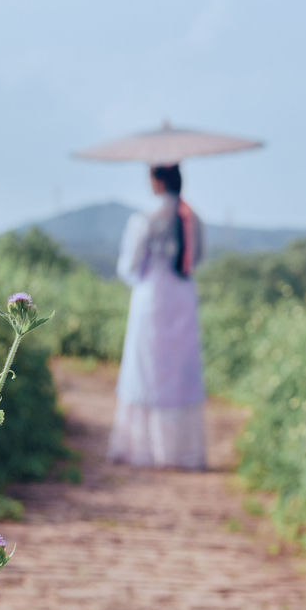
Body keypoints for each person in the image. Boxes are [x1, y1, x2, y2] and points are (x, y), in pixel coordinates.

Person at [107, 164, 207, 470]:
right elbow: (198, 258)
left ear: (158, 181)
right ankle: (178, 450)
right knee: (179, 371)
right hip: (182, 298)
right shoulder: (194, 219)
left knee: (145, 370)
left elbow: (129, 267)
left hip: (151, 299)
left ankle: (143, 448)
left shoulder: (145, 220)